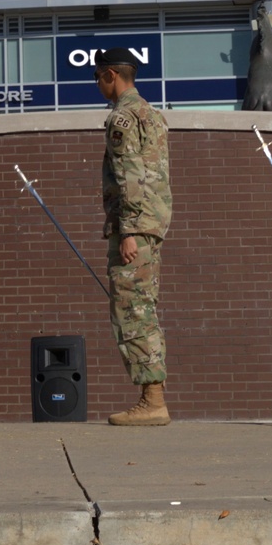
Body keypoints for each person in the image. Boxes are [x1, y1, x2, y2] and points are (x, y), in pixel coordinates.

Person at [95, 48, 173, 426]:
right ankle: (152, 396)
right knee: (143, 308)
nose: (97, 84)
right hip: (151, 225)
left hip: (135, 228)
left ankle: (152, 399)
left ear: (112, 75)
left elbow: (129, 176)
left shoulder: (122, 117)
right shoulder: (153, 115)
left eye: (98, 77)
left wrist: (127, 231)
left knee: (132, 311)